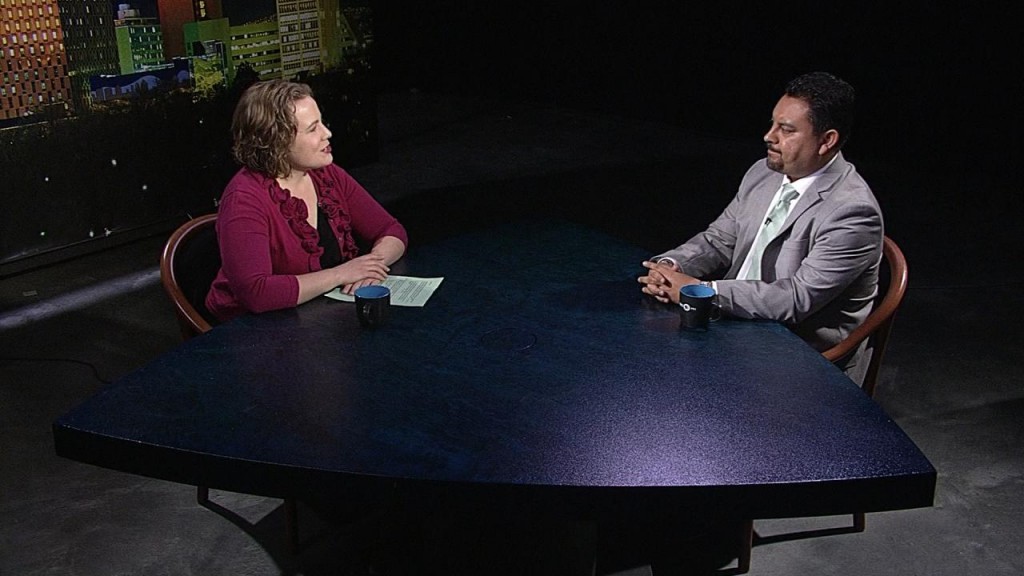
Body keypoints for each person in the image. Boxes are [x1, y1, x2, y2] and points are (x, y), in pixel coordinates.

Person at [638, 72, 883, 382]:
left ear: (826, 141)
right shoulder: (763, 173)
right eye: (772, 124)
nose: (769, 136)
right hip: (733, 323)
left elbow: (797, 298)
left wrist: (700, 292)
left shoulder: (852, 211)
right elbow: (719, 238)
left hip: (797, 355)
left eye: (786, 130)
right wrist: (670, 266)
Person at [206, 79, 407, 322]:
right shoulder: (244, 200)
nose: (327, 133)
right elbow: (256, 293)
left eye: (321, 122)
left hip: (317, 316)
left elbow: (391, 230)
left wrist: (371, 268)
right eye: (313, 129)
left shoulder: (326, 175)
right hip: (251, 331)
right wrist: (341, 274)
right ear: (276, 142)